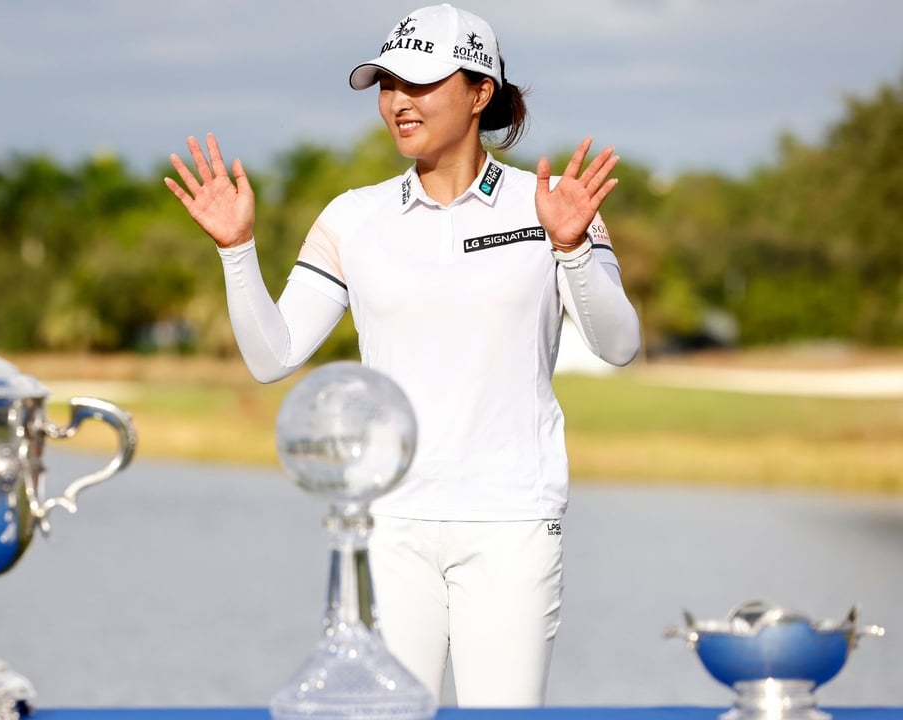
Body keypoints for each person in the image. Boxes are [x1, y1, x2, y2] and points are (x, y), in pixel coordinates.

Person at [164, 2, 641, 708]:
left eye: (419, 83)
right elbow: (274, 356)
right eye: (388, 84)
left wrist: (571, 247)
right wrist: (237, 251)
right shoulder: (352, 217)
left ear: (480, 93)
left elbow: (620, 344)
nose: (397, 102)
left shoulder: (552, 205)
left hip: (510, 521)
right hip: (387, 525)